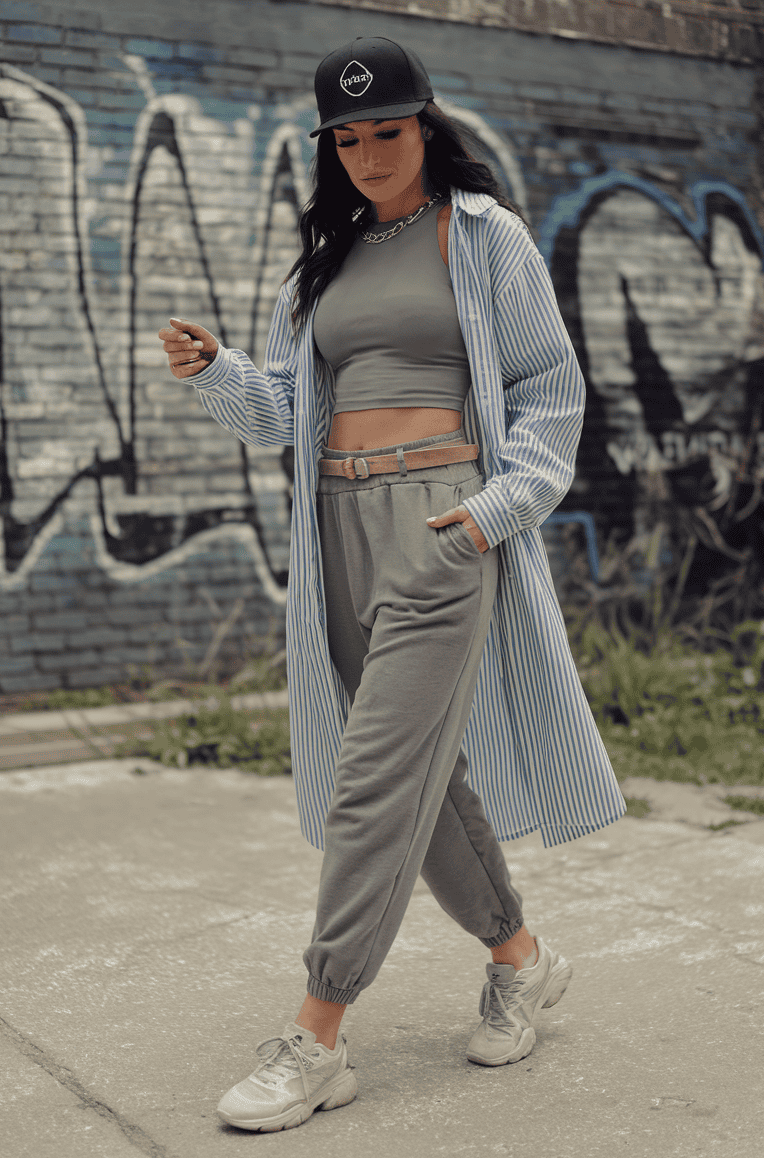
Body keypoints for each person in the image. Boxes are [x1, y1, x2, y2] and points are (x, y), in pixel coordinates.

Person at [158, 36, 625, 1134]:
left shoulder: (484, 238)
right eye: (349, 136)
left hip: (440, 527)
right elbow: (286, 413)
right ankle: (520, 959)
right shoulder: (321, 262)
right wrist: (218, 372)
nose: (369, 152)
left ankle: (317, 1036)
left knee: (369, 782)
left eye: (388, 129)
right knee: (423, 784)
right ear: (332, 147)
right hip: (336, 533)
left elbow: (548, 388)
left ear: (425, 127)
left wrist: (493, 510)